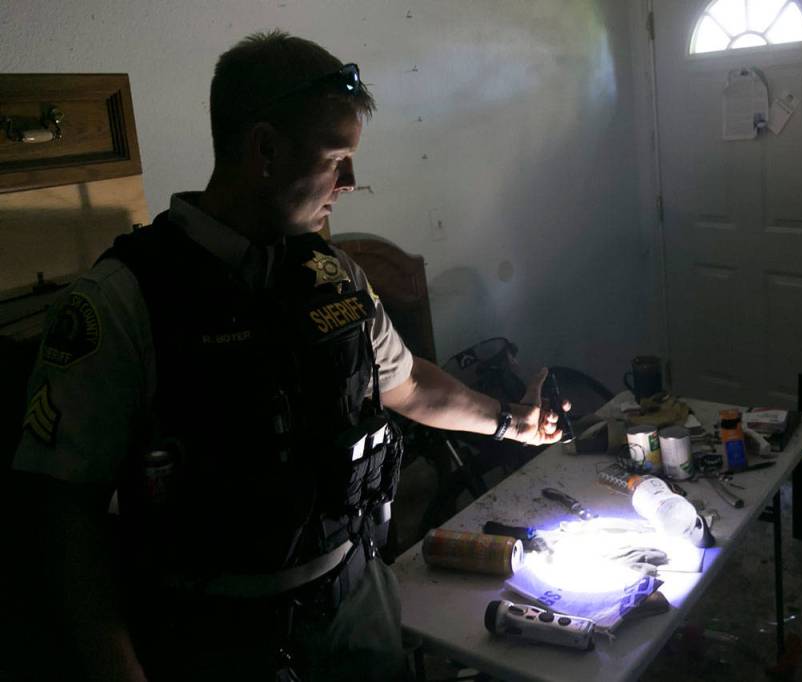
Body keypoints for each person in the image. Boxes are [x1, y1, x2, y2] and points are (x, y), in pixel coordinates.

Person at [9, 30, 567, 681]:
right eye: (337, 158)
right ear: (265, 150)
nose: (352, 182)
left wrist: (511, 422)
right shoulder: (126, 299)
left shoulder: (332, 274)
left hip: (355, 598)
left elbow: (409, 385)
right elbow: (61, 515)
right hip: (215, 638)